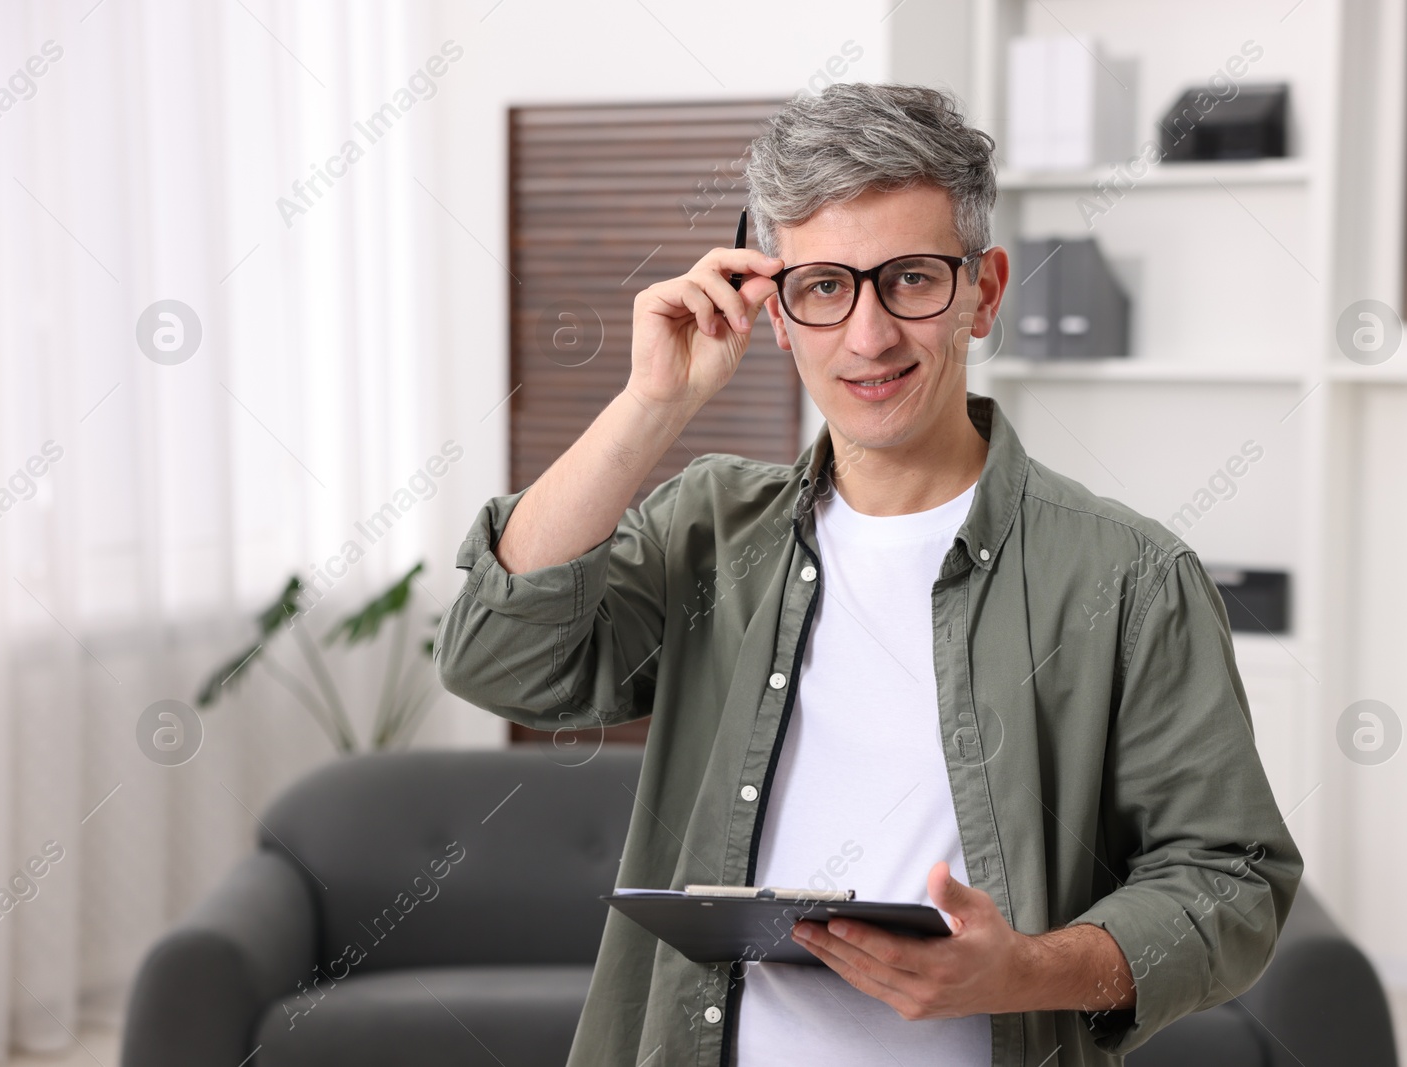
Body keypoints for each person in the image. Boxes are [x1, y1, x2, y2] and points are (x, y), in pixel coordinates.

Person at [436, 82, 1303, 1067]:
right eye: (823, 287)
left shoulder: (1131, 575)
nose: (868, 335)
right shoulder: (709, 526)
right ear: (774, 309)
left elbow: (1231, 882)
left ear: (983, 290)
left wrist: (1023, 969)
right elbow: (495, 658)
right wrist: (650, 403)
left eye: (911, 279)